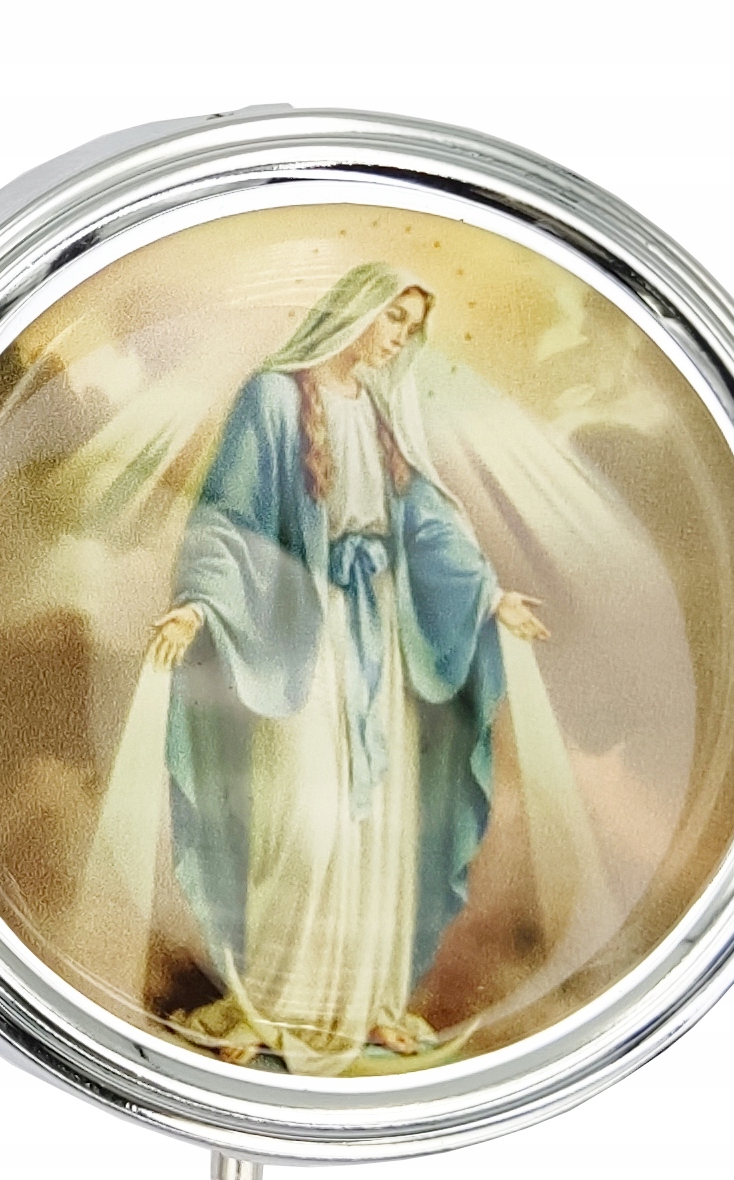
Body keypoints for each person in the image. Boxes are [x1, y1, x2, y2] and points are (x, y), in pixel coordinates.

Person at [147, 262, 549, 1076]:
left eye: (411, 327)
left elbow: (425, 520)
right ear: (355, 308)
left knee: (377, 826)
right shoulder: (271, 398)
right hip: (301, 633)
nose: (400, 338)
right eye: (393, 318)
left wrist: (488, 594)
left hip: (378, 634)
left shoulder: (379, 409)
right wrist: (198, 603)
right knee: (302, 819)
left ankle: (364, 1004)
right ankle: (267, 1002)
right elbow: (226, 516)